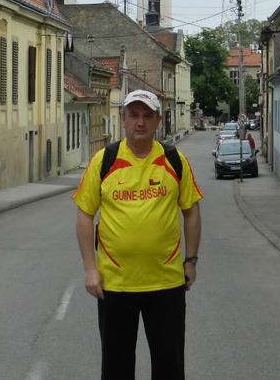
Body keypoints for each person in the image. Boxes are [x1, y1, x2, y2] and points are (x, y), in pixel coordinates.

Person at [72, 89, 203, 380]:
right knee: (116, 369)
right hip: (115, 285)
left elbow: (191, 211)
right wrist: (90, 269)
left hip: (166, 282)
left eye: (147, 116)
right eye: (133, 115)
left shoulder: (174, 159)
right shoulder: (103, 160)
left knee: (169, 368)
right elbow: (84, 214)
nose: (140, 123)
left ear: (158, 120)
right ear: (123, 119)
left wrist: (191, 261)